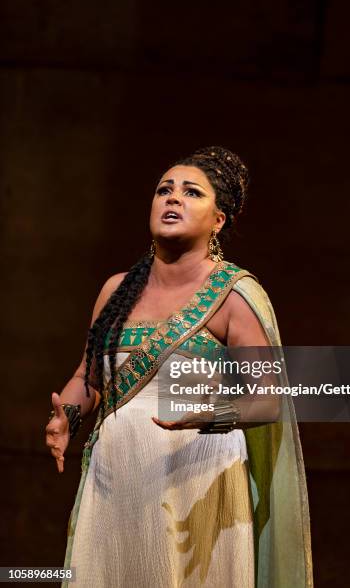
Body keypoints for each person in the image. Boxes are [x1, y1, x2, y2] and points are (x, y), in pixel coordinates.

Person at [45, 146, 313, 588]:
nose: (173, 198)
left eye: (191, 192)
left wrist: (214, 414)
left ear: (219, 220)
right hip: (119, 474)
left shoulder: (232, 294)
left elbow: (269, 399)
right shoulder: (117, 289)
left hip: (198, 475)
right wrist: (68, 416)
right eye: (164, 190)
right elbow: (88, 378)